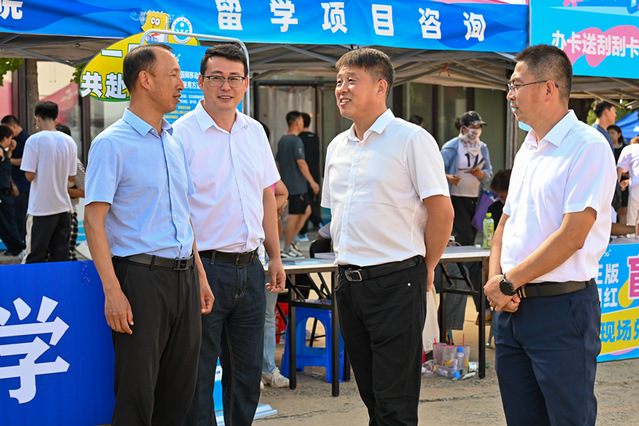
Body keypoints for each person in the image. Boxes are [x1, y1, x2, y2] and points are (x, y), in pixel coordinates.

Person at [485, 44, 616, 426]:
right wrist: (497, 283)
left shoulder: (587, 146)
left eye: (516, 85)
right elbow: (505, 223)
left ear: (548, 88)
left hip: (561, 310)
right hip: (512, 309)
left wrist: (508, 282)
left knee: (568, 418)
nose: (509, 95)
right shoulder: (529, 147)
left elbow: (573, 235)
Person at [84, 43, 214, 425]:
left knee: (179, 394)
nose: (181, 83)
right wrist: (113, 291)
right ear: (145, 79)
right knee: (137, 395)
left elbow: (183, 216)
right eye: (173, 74)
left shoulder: (173, 141)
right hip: (140, 279)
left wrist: (199, 275)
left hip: (184, 278)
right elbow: (93, 221)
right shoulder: (111, 144)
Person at [322, 47, 453, 425]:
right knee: (371, 395)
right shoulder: (337, 147)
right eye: (339, 81)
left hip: (396, 281)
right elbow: (336, 214)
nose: (342, 89)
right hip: (348, 284)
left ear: (381, 87)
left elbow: (442, 212)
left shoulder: (411, 139)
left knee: (394, 402)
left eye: (352, 81)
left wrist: (427, 266)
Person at [171, 44, 286, 426]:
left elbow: (267, 196)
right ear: (201, 81)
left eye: (234, 78)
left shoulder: (254, 131)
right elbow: (178, 211)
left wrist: (275, 257)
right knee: (199, 373)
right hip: (204, 269)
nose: (226, 86)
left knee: (246, 374)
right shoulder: (180, 135)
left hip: (251, 268)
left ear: (246, 84)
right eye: (217, 78)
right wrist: (197, 271)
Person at [20, 101, 76, 263]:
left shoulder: (34, 140)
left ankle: (33, 281)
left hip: (41, 210)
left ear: (37, 118)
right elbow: (71, 178)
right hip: (64, 209)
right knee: (60, 258)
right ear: (56, 118)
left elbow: (29, 176)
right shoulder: (69, 141)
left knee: (34, 256)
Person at [441, 110, 494, 246]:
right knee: (464, 235)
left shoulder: (483, 148)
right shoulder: (451, 147)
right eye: (472, 126)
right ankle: (462, 259)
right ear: (463, 128)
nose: (476, 130)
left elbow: (489, 174)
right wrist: (448, 177)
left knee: (472, 236)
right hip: (456, 197)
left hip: (477, 198)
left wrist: (480, 174)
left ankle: (469, 260)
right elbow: (436, 171)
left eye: (478, 127)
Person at [276, 110, 320, 258]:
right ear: (296, 123)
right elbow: (301, 163)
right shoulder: (296, 140)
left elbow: (278, 162)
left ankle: (292, 240)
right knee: (294, 215)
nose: (302, 124)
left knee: (307, 210)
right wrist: (312, 182)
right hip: (296, 186)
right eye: (301, 121)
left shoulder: (282, 140)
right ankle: (287, 248)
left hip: (289, 184)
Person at [262, 179, 290, 388]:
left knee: (268, 314)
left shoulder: (264, 165)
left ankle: (268, 368)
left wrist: (268, 208)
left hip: (266, 251)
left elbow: (283, 192)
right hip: (240, 249)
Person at [55, 124, 85, 261]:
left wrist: (62, 190)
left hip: (68, 213)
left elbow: (85, 191)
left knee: (66, 255)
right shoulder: (48, 160)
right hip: (46, 214)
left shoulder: (75, 163)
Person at [1, 115, 30, 240]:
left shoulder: (26, 139)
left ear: (13, 126)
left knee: (18, 217)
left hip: (22, 184)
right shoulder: (13, 140)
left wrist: (7, 160)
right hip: (13, 184)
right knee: (12, 217)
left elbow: (26, 161)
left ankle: (20, 244)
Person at [0, 124, 26, 257]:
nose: (11, 141)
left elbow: (5, 163)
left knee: (7, 221)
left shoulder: (3, 151)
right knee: (9, 222)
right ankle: (18, 249)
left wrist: (10, 149)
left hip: (4, 192)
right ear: (5, 138)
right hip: (2, 193)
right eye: (10, 138)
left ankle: (17, 249)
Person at [298, 112, 322, 233]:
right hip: (315, 174)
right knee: (311, 201)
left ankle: (303, 231)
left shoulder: (298, 138)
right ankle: (317, 223)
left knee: (305, 204)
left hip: (303, 176)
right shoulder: (315, 137)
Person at [617, 136, 639, 229]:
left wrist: (618, 185)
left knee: (633, 218)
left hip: (636, 187)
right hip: (635, 183)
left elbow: (620, 168)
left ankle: (633, 236)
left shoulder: (629, 148)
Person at [608, 124, 628, 223]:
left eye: (613, 133)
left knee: (623, 208)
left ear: (619, 134)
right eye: (609, 133)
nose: (610, 135)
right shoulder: (606, 147)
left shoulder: (625, 148)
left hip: (623, 183)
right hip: (609, 182)